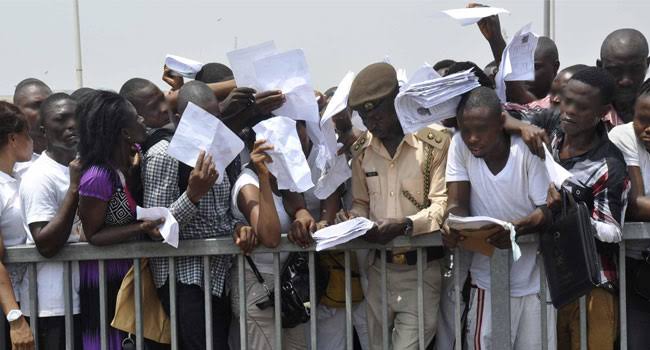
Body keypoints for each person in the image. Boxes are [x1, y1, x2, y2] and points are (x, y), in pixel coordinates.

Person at [345, 62, 449, 350]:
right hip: (379, 270)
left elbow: (442, 204)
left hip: (421, 270)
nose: (370, 123)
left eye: (376, 113)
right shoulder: (362, 151)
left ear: (396, 101)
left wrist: (405, 226)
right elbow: (361, 202)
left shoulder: (433, 144)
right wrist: (353, 220)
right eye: (364, 117)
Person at [442, 87, 555, 349]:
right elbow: (456, 203)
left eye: (481, 129)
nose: (472, 138)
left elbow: (547, 210)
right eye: (466, 129)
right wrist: (452, 224)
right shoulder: (459, 145)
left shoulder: (525, 149)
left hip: (534, 282)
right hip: (486, 281)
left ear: (501, 124)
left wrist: (516, 229)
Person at [142, 80, 244, 350]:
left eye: (215, 118)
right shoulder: (163, 155)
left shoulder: (218, 149)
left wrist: (236, 227)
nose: (210, 126)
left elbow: (222, 213)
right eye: (201, 119)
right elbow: (156, 230)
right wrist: (193, 195)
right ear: (178, 118)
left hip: (219, 276)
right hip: (184, 280)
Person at [544, 67, 629, 350]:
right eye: (565, 100)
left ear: (603, 111)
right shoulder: (551, 133)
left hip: (594, 287)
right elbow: (503, 114)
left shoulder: (610, 165)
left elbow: (612, 231)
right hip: (550, 284)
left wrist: (571, 210)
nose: (568, 111)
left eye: (581, 107)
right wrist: (522, 127)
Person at [76, 90, 165, 349]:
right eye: (137, 118)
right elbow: (93, 235)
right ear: (124, 132)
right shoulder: (97, 176)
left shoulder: (122, 168)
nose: (143, 121)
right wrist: (140, 227)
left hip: (126, 272)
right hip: (106, 277)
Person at [230, 134, 307, 349]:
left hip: (286, 285)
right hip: (257, 286)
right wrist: (263, 176)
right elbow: (270, 237)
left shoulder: (282, 177)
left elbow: (301, 211)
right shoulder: (248, 183)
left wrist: (301, 221)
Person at [18, 93, 83, 349]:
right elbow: (45, 243)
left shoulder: (79, 166)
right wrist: (75, 188)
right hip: (51, 306)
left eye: (76, 118)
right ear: (43, 130)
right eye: (61, 119)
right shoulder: (39, 176)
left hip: (80, 298)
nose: (71, 125)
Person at [608, 83, 650, 350]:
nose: (647, 129)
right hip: (636, 265)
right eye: (642, 120)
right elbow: (637, 204)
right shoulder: (623, 136)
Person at [472, 5, 560, 107]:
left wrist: (496, 40)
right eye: (520, 66)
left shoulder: (562, 104)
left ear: (555, 67)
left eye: (535, 67)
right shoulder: (502, 100)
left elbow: (519, 94)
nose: (525, 75)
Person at [0, 101, 34, 350]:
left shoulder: (19, 176)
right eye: (27, 134)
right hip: (8, 307)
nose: (31, 141)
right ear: (13, 139)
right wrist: (15, 318)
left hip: (24, 299)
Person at [598, 28, 650, 125]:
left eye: (635, 69)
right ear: (600, 67)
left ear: (647, 64)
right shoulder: (587, 117)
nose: (626, 81)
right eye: (615, 71)